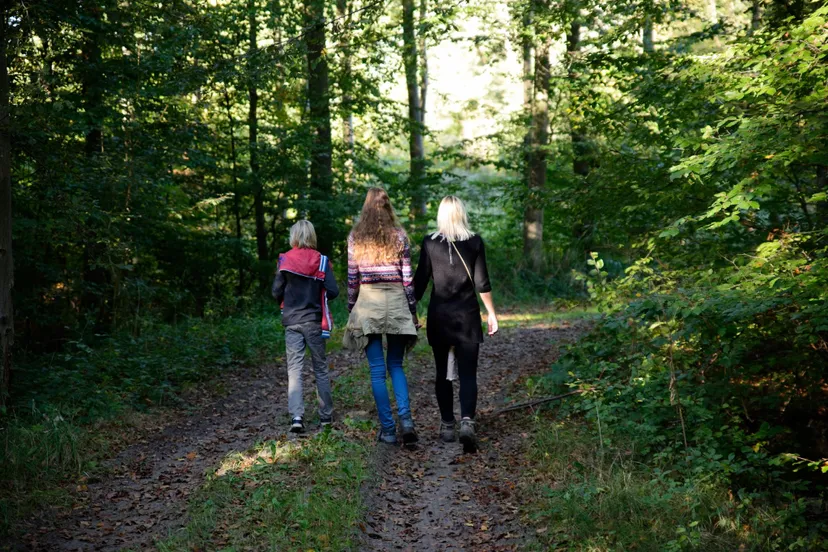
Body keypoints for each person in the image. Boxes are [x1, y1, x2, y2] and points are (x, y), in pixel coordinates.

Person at [413, 195, 498, 453]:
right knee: (468, 373)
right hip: (468, 318)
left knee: (443, 373)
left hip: (440, 318)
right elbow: (482, 283)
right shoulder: (474, 242)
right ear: (462, 213)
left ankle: (447, 425)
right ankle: (467, 423)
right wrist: (491, 313)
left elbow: (420, 282)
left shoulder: (430, 242)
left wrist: (410, 311)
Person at [343, 187, 420, 446]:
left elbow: (353, 278)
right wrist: (413, 310)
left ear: (365, 208)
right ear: (388, 207)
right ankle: (406, 422)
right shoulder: (399, 236)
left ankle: (388, 430)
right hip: (397, 300)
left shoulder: (356, 237)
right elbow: (407, 278)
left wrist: (351, 306)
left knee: (377, 371)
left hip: (369, 303)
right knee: (396, 365)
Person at [272, 220, 339, 434]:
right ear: (312, 236)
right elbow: (333, 290)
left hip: (292, 321)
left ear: (294, 236)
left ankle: (297, 418)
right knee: (320, 368)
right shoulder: (322, 261)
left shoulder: (284, 260)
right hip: (314, 321)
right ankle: (325, 417)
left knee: (295, 370)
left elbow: (276, 291)